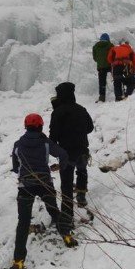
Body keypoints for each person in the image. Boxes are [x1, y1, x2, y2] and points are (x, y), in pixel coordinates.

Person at [10, 113, 75, 269]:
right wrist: (60, 167)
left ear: (26, 126)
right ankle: (67, 237)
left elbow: (15, 166)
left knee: (23, 222)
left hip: (25, 185)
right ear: (40, 126)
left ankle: (18, 262)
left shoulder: (18, 144)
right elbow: (63, 154)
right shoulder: (45, 142)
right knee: (53, 211)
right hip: (45, 183)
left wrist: (22, 173)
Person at [49, 82, 94, 230]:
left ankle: (67, 217)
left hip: (66, 153)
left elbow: (53, 136)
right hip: (82, 149)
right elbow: (90, 127)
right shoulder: (81, 109)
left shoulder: (57, 112)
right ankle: (81, 195)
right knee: (82, 171)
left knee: (67, 183)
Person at [92, 33, 113, 102]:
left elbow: (95, 58)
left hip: (100, 67)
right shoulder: (110, 45)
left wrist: (100, 61)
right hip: (110, 66)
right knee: (116, 78)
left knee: (102, 82)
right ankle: (119, 92)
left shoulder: (95, 46)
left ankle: (102, 97)